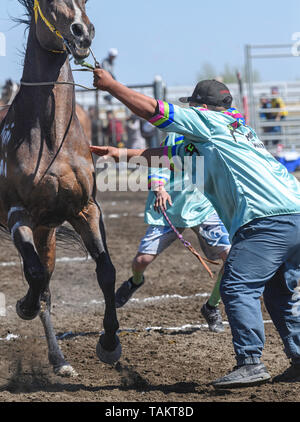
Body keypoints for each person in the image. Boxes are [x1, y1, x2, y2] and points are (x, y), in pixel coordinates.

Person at [91, 69, 300, 389]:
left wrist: (112, 86)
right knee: (278, 292)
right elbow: (169, 156)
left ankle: (250, 362)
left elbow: (153, 110)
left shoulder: (208, 123)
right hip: (294, 216)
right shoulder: (232, 129)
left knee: (236, 288)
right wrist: (120, 154)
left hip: (265, 220)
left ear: (201, 108)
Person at [115, 131, 231, 333]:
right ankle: (135, 281)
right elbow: (157, 163)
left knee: (230, 259)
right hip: (169, 207)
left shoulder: (212, 136)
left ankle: (211, 307)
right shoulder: (174, 137)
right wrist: (159, 188)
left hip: (203, 208)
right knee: (141, 261)